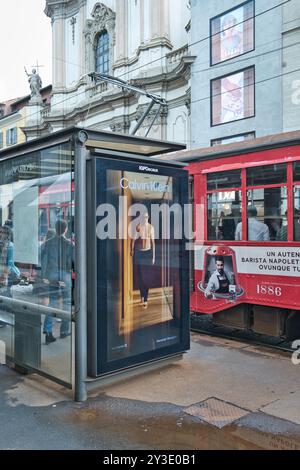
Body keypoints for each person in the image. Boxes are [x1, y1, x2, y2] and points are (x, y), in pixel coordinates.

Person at [41, 220, 74, 344]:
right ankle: (64, 331)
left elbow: (43, 259)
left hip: (52, 274)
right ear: (65, 229)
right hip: (65, 275)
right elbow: (74, 261)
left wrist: (44, 276)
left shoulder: (48, 243)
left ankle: (48, 332)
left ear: (55, 228)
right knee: (66, 303)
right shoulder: (69, 244)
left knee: (52, 302)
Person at [131, 211, 155, 309]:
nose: (144, 218)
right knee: (140, 276)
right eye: (143, 217)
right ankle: (142, 296)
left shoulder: (151, 227)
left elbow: (153, 242)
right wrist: (131, 249)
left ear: (148, 217)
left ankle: (146, 299)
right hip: (139, 253)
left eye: (146, 217)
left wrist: (153, 257)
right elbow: (133, 239)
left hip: (148, 253)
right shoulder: (138, 226)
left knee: (147, 277)